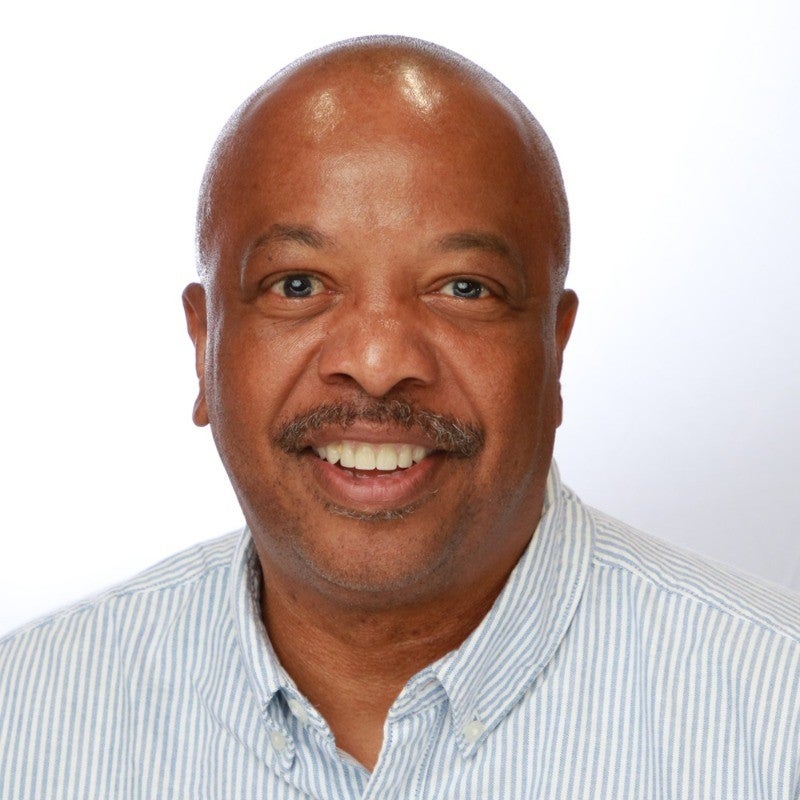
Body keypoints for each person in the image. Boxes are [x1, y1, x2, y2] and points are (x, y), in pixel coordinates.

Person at [1, 35, 798, 799]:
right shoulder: (22, 721)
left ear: (555, 350)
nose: (378, 363)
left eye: (462, 288)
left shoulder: (778, 714)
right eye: (299, 285)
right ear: (205, 344)